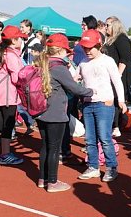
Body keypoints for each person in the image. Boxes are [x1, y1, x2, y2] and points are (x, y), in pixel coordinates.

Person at [34, 34, 92, 192]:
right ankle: (52, 182)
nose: (68, 53)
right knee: (54, 148)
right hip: (56, 112)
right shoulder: (59, 68)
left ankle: (42, 178)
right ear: (60, 51)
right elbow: (75, 88)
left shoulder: (42, 64)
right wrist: (91, 91)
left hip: (40, 111)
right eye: (66, 51)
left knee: (45, 146)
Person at [76, 29, 127, 182]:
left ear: (99, 46)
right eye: (84, 47)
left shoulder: (107, 61)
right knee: (89, 139)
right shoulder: (83, 62)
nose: (87, 51)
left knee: (105, 137)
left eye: (90, 47)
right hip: (87, 104)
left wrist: (121, 100)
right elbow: (75, 77)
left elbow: (117, 81)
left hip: (104, 104)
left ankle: (111, 167)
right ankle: (93, 167)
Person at [0, 25, 26, 166]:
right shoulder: (11, 55)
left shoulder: (0, 52)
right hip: (8, 95)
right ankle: (5, 153)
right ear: (13, 40)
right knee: (8, 124)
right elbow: (16, 77)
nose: (21, 40)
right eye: (19, 38)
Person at [103, 16, 131, 136]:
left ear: (115, 25)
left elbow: (124, 59)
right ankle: (112, 125)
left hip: (119, 74)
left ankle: (115, 126)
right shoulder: (110, 39)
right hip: (110, 74)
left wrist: (117, 75)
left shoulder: (121, 39)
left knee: (116, 99)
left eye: (108, 25)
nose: (106, 27)